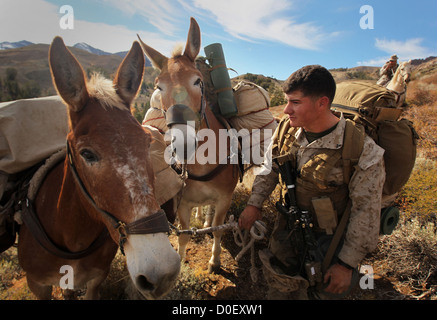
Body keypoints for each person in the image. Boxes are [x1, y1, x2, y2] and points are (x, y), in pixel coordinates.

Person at [239, 65, 385, 299]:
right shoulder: (286, 131)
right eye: (287, 101)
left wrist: (346, 264)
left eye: (295, 102)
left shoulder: (361, 150)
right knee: (280, 286)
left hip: (331, 243)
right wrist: (253, 204)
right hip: (289, 229)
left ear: (321, 103)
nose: (286, 110)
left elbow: (366, 211)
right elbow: (269, 169)